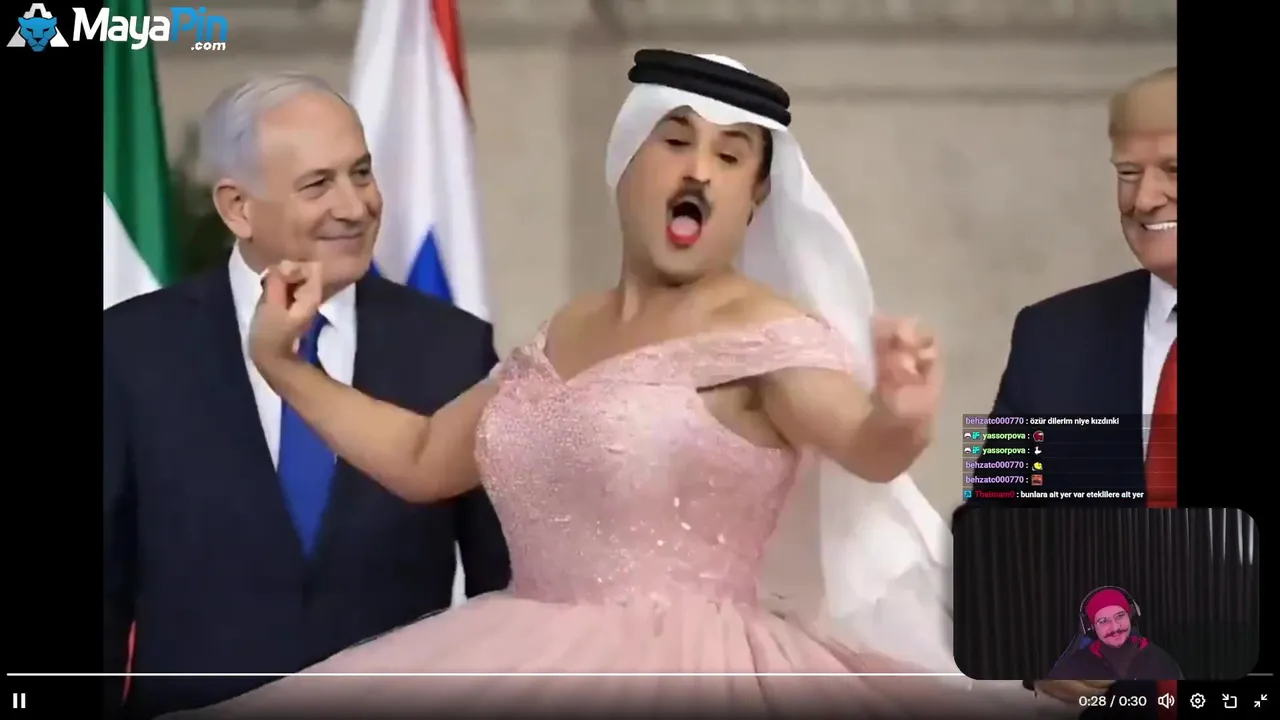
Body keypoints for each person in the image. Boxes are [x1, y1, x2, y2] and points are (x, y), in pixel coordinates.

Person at [165, 51, 1079, 718]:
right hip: (508, 653)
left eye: (731, 157)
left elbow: (864, 442)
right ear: (628, 160)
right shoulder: (565, 327)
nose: (699, 168)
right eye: (676, 141)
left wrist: (902, 417)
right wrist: (285, 365)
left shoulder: (765, 336)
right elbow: (421, 455)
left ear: (755, 197)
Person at [102, 73, 511, 718]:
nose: (355, 206)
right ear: (238, 208)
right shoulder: (130, 350)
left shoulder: (452, 349)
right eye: (318, 184)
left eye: (361, 173)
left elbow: (504, 587)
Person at [988, 67, 1177, 507]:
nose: (1144, 199)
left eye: (1174, 170)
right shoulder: (1049, 334)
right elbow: (993, 512)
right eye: (1128, 172)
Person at [1048, 587, 1183, 681]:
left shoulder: (1160, 661)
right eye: (1103, 621)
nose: (1115, 627)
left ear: (1131, 616)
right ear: (1091, 627)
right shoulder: (1072, 668)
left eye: (1120, 616)